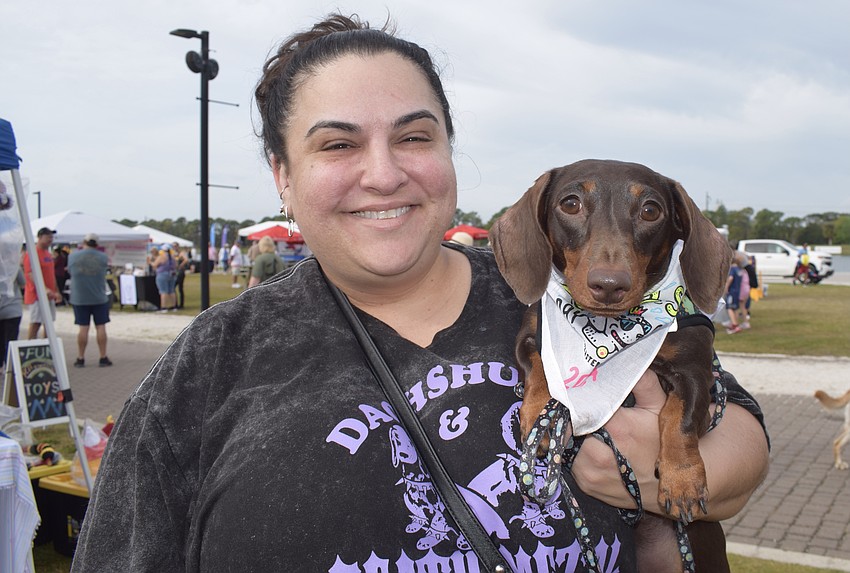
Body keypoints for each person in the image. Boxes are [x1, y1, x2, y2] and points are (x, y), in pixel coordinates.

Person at [72, 15, 768, 572]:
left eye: (412, 135)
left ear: (448, 153)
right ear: (283, 176)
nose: (383, 173)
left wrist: (658, 474)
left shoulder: (551, 302)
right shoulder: (209, 365)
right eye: (338, 146)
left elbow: (738, 432)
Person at [67, 233, 113, 367]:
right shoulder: (103, 257)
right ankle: (103, 356)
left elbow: (70, 271)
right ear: (97, 244)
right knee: (101, 326)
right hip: (99, 296)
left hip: (79, 298)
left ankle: (80, 357)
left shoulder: (73, 256)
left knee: (83, 328)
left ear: (84, 242)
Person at [23, 227, 62, 339]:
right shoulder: (32, 253)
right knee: (36, 322)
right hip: (36, 295)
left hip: (49, 295)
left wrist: (56, 291)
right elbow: (30, 274)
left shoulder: (48, 254)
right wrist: (44, 289)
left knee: (49, 323)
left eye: (51, 237)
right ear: (40, 237)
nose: (50, 240)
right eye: (48, 237)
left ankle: (47, 347)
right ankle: (31, 346)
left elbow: (51, 274)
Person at [0, 267, 25, 370]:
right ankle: (10, 369)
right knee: (11, 341)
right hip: (13, 307)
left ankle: (1, 367)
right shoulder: (14, 267)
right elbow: (23, 284)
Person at [151, 243, 177, 311]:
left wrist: (150, 262)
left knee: (163, 291)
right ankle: (174, 306)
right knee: (171, 291)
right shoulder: (172, 257)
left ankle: (163, 307)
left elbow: (155, 265)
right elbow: (175, 265)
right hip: (172, 274)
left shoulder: (162, 257)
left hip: (162, 274)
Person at [174, 244, 189, 309]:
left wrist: (181, 265)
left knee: (180, 288)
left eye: (175, 246)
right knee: (175, 288)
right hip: (176, 272)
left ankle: (180, 304)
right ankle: (176, 303)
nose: (174, 247)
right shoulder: (174, 253)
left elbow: (186, 260)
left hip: (180, 272)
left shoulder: (181, 253)